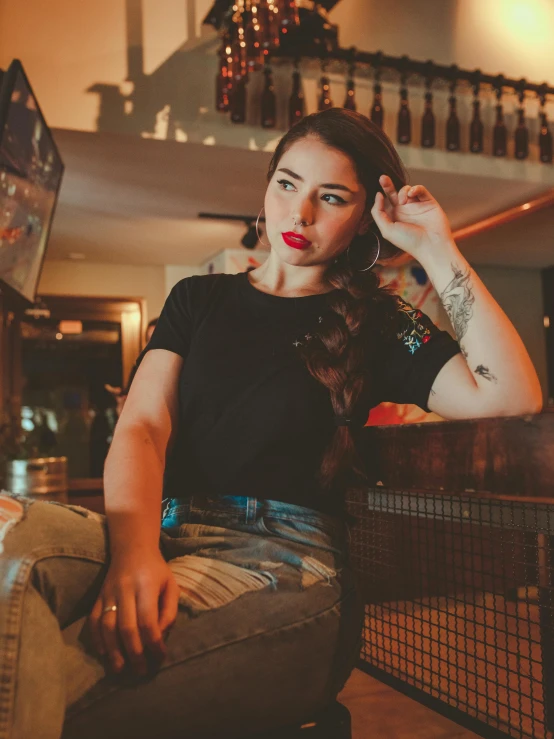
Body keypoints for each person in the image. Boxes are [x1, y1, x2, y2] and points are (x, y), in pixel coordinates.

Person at [0, 108, 542, 739]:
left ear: (365, 215)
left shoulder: (381, 320)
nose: (300, 213)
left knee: (47, 678)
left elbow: (510, 396)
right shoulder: (198, 300)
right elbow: (143, 427)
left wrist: (436, 248)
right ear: (267, 186)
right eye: (287, 184)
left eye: (330, 197)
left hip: (288, 564)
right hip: (165, 532)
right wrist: (136, 553)